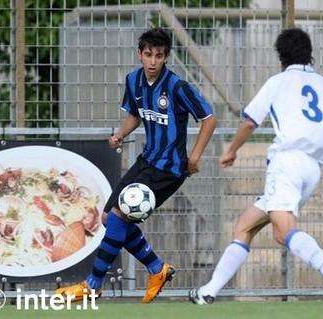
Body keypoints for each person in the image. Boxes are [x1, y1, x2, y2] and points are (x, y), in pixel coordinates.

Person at [189, 27, 323, 304]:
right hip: (312, 170)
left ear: (281, 56)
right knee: (245, 226)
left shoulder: (277, 82)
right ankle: (209, 292)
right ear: (309, 54)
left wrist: (231, 149)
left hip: (287, 163)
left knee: (283, 230)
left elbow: (251, 121)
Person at [56, 28, 217, 303]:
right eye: (148, 54)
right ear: (139, 54)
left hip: (170, 168)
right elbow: (136, 114)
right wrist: (121, 133)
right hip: (147, 160)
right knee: (109, 218)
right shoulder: (134, 81)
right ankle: (157, 269)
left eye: (159, 56)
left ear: (166, 57)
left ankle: (93, 284)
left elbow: (209, 118)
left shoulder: (177, 87)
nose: (153, 61)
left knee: (119, 215)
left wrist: (195, 156)